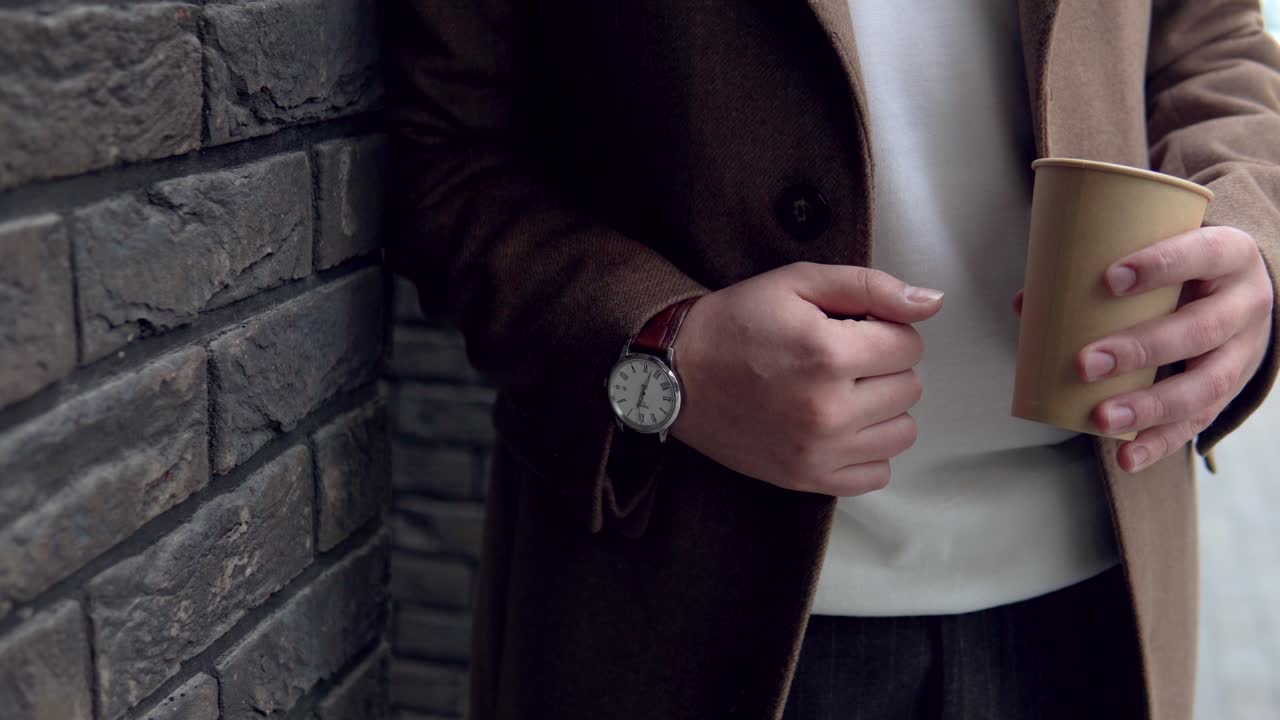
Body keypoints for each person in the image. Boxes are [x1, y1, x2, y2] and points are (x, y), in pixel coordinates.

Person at [385, 1, 1280, 718]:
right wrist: (663, 345)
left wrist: (1252, 238)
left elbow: (1213, 42)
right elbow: (446, 153)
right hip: (682, 606)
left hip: (1101, 601)